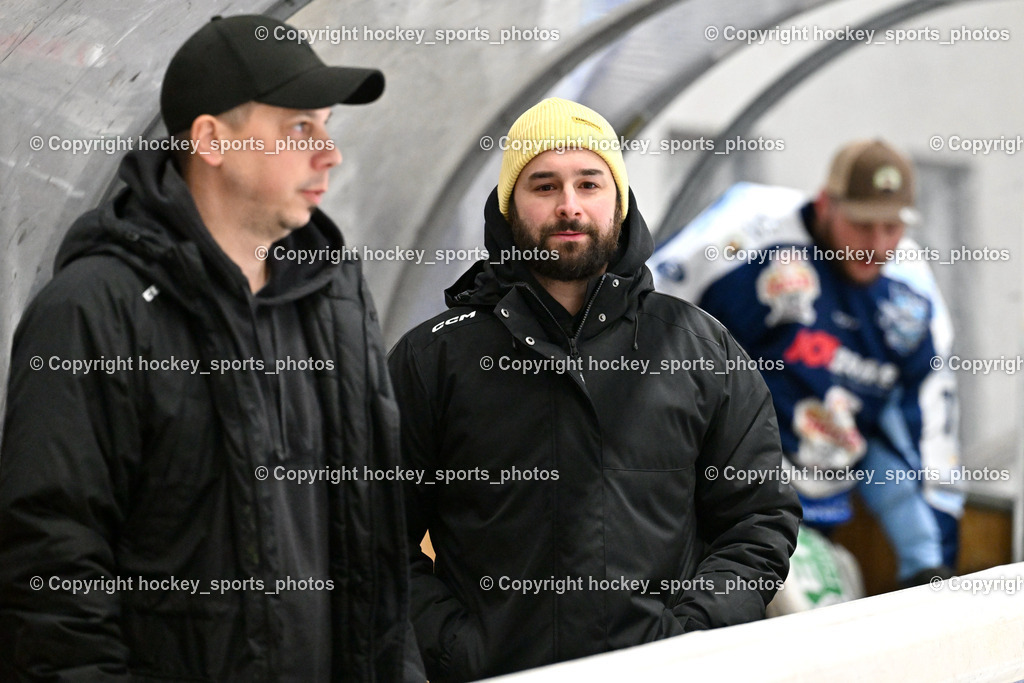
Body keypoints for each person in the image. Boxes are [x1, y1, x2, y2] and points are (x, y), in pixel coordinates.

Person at [0, 15, 420, 682]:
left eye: (327, 127)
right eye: (299, 129)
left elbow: (375, 548)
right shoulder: (93, 310)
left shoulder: (337, 302)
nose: (330, 154)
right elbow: (51, 569)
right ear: (210, 140)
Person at [387, 97, 801, 682]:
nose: (569, 206)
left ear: (620, 201)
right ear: (508, 206)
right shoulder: (436, 357)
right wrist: (456, 646)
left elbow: (758, 520)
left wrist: (687, 638)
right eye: (543, 185)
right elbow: (377, 536)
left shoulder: (696, 347)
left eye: (589, 182)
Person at [650, 140, 964, 589]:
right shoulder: (746, 233)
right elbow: (643, 318)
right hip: (708, 499)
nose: (876, 245)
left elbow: (929, 438)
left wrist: (933, 571)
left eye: (892, 228)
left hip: (819, 516)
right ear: (825, 203)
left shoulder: (912, 293)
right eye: (861, 224)